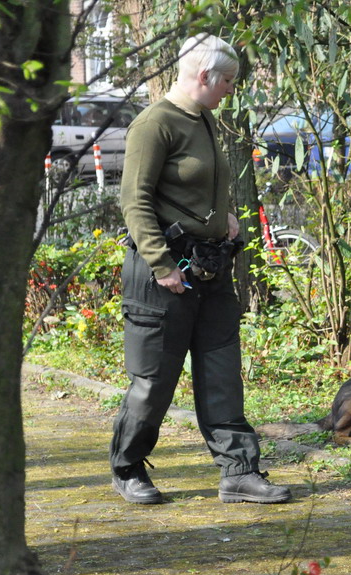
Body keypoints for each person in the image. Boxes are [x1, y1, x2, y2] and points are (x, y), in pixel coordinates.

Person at [109, 33, 292, 504]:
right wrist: (161, 263)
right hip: (162, 274)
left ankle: (238, 472)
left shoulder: (205, 118)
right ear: (205, 75)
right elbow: (135, 201)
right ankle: (128, 468)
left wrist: (222, 217)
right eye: (227, 80)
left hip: (210, 267)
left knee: (221, 372)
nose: (231, 88)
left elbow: (199, 187)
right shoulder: (155, 124)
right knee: (153, 381)